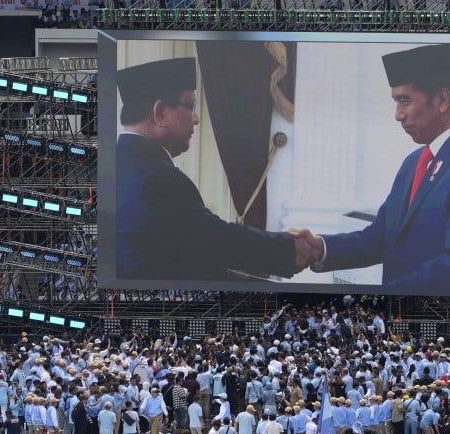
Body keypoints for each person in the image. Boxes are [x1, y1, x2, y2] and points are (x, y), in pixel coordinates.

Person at [303, 44, 450, 295]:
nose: (398, 115)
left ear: (442, 100)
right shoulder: (414, 162)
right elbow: (380, 238)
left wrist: (381, 301)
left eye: (405, 100)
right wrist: (319, 249)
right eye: (396, 101)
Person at [114, 57, 315, 282]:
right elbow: (218, 241)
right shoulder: (160, 177)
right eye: (190, 106)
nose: (196, 119)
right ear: (160, 112)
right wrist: (289, 248)